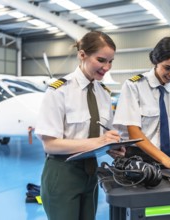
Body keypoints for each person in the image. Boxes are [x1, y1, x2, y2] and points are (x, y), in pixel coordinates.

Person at [35, 31, 125, 220]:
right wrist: (99, 141)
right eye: (101, 60)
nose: (106, 67)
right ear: (82, 55)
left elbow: (104, 136)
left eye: (110, 61)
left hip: (91, 175)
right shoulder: (59, 91)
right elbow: (50, 144)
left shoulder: (104, 94)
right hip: (62, 174)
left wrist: (113, 147)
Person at [113, 37, 170, 175]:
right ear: (155, 61)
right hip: (136, 160)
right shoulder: (134, 86)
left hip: (166, 159)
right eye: (167, 68)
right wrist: (166, 160)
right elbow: (134, 133)